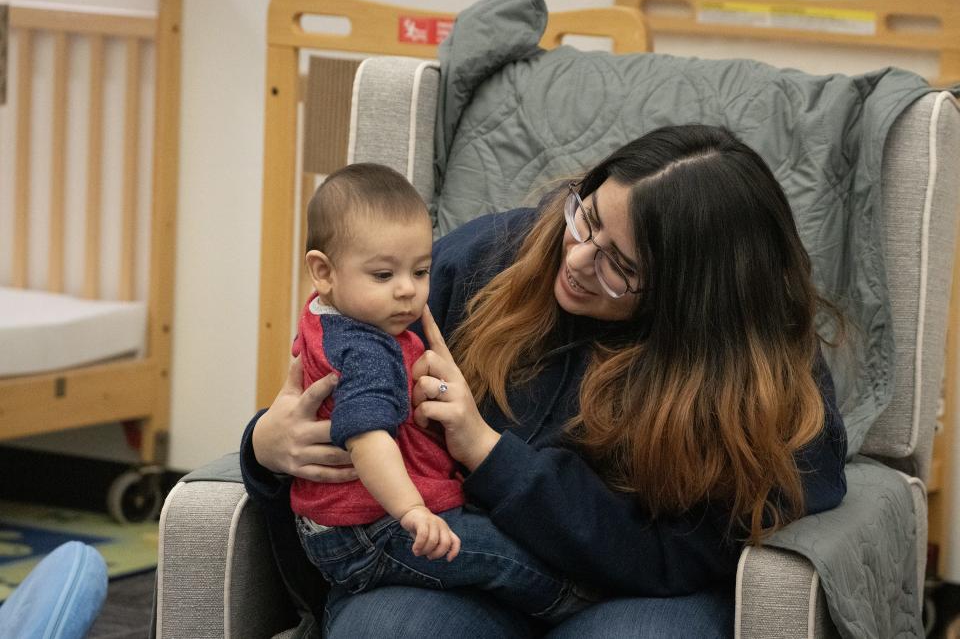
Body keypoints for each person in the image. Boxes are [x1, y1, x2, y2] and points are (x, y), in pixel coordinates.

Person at [241, 125, 848, 638]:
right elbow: (339, 385)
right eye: (585, 219)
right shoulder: (487, 260)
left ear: (696, 301)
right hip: (451, 561)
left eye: (621, 265)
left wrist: (487, 452)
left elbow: (681, 557)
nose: (579, 260)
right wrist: (266, 448)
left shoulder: (763, 384)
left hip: (632, 588)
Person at [285, 162, 592, 623]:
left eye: (421, 270)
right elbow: (369, 440)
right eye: (384, 276)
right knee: (501, 557)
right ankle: (573, 604)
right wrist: (413, 511)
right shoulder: (365, 349)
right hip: (376, 527)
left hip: (345, 523)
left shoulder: (328, 314)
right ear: (323, 271)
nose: (408, 291)